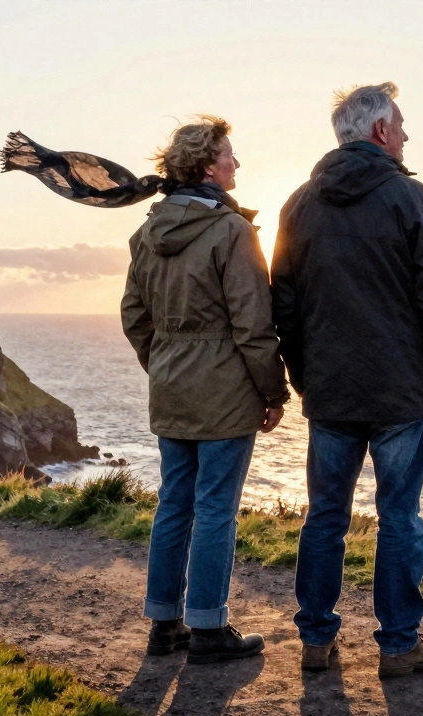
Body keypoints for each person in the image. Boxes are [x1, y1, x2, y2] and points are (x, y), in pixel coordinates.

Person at [272, 83, 423, 678]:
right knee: (399, 519)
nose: (407, 135)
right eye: (402, 124)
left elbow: (283, 305)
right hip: (400, 392)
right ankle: (399, 645)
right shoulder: (413, 199)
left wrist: (305, 376)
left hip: (330, 390)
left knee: (325, 516)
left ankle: (315, 639)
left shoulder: (298, 204)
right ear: (380, 131)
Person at [121, 116, 290, 664]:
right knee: (216, 508)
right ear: (205, 166)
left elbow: (133, 315)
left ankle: (163, 626)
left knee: (173, 505)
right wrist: (275, 392)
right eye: (229, 156)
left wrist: (163, 362)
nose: (236, 164)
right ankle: (210, 630)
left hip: (172, 385)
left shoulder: (147, 232)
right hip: (225, 391)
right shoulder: (231, 231)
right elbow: (252, 324)